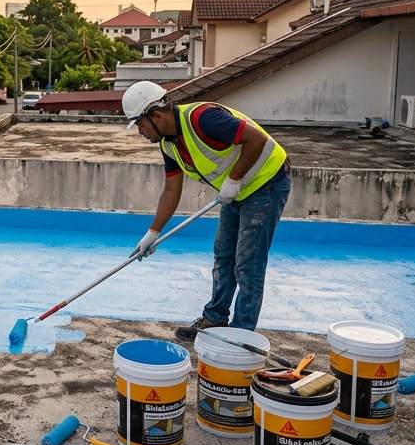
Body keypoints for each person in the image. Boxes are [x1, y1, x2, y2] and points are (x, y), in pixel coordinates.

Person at [121, 81, 291, 340]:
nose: (140, 132)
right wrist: (153, 232)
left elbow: (257, 140)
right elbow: (171, 190)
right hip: (236, 192)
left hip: (267, 182)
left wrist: (234, 178)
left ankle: (241, 334)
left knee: (248, 262)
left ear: (155, 115)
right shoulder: (169, 144)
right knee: (223, 255)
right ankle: (215, 318)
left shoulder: (202, 119)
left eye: (140, 125)